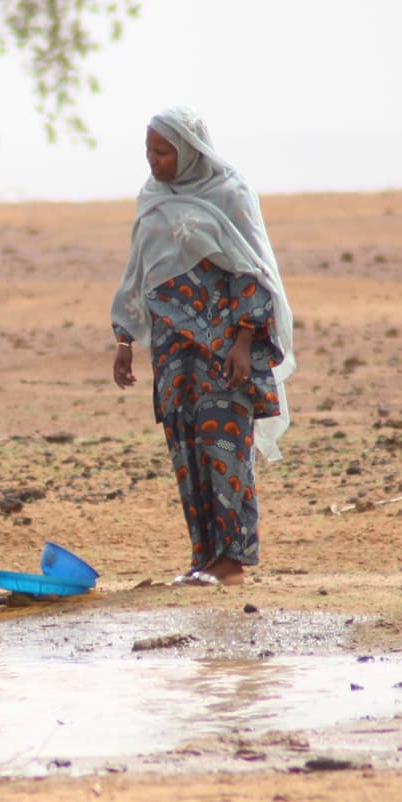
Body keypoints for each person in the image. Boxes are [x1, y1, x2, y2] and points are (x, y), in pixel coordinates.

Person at [110, 105, 295, 586]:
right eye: (148, 150)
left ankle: (232, 561)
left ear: (190, 151)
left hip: (224, 348)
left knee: (225, 445)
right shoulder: (151, 198)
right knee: (186, 447)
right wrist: (125, 338)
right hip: (172, 352)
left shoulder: (230, 194)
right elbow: (138, 269)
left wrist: (243, 341)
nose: (153, 160)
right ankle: (204, 557)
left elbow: (250, 271)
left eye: (163, 151)